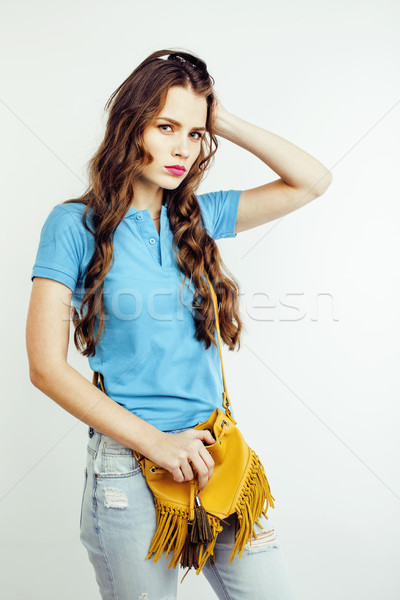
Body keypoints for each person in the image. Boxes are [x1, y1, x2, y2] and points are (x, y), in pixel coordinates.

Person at [26, 48, 332, 600]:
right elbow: (46, 367)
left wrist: (222, 119)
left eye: (195, 135)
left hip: (216, 451)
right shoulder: (73, 225)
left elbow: (311, 181)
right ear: (129, 124)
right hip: (129, 464)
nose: (182, 149)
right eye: (166, 126)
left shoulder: (199, 218)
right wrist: (158, 444)